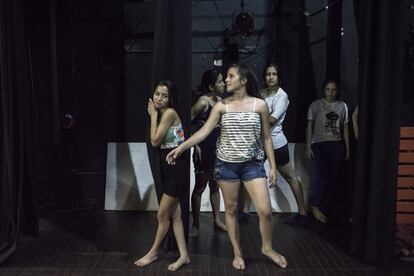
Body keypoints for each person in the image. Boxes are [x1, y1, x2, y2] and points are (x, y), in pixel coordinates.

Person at [166, 64, 287, 270]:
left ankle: (267, 247)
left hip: (252, 165)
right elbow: (203, 132)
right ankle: (237, 253)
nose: (227, 80)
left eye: (231, 76)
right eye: (226, 77)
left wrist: (273, 167)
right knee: (230, 210)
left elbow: (266, 137)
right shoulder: (221, 106)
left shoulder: (260, 105)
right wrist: (181, 148)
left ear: (243, 80)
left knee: (265, 211)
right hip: (226, 166)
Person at [134, 80, 190, 271]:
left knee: (162, 215)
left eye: (164, 95)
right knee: (175, 215)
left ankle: (153, 252)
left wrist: (153, 115)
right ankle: (184, 255)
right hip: (169, 165)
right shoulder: (165, 113)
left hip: (177, 168)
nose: (159, 98)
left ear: (170, 98)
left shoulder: (168, 113)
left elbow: (155, 141)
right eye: (157, 94)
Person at [260, 63, 308, 225]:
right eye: (268, 74)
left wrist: (255, 118)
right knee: (251, 174)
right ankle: (244, 211)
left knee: (290, 176)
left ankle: (302, 213)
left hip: (276, 142)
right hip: (259, 142)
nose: (271, 77)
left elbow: (272, 119)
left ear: (279, 77)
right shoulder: (261, 94)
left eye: (274, 74)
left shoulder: (282, 95)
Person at [306, 79, 350, 223]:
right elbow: (309, 126)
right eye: (327, 89)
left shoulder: (342, 106)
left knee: (335, 178)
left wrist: (347, 148)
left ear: (337, 90)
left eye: (333, 90)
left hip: (336, 144)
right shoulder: (316, 105)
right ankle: (314, 205)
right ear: (323, 90)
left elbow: (345, 129)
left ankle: (326, 207)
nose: (330, 93)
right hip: (319, 144)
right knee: (321, 177)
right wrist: (308, 146)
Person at [190, 69, 227, 237]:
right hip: (203, 150)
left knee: (215, 186)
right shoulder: (203, 102)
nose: (224, 83)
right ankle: (196, 224)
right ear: (212, 86)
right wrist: (194, 143)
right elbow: (185, 122)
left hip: (217, 150)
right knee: (199, 187)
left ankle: (217, 220)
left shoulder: (220, 101)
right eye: (220, 81)